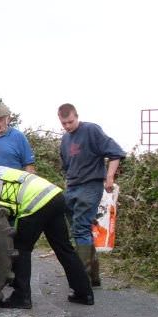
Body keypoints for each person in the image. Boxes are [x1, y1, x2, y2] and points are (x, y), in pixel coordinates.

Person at [0, 166, 93, 308]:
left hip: (36, 202)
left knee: (21, 248)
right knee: (64, 247)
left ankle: (21, 297)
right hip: (54, 195)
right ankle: (84, 293)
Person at [57, 103, 126, 287]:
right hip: (72, 187)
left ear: (77, 116)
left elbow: (116, 153)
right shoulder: (64, 140)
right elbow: (66, 167)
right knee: (79, 230)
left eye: (70, 122)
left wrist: (109, 176)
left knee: (80, 229)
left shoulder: (91, 130)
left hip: (91, 185)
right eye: (64, 123)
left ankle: (83, 281)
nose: (68, 126)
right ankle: (93, 278)